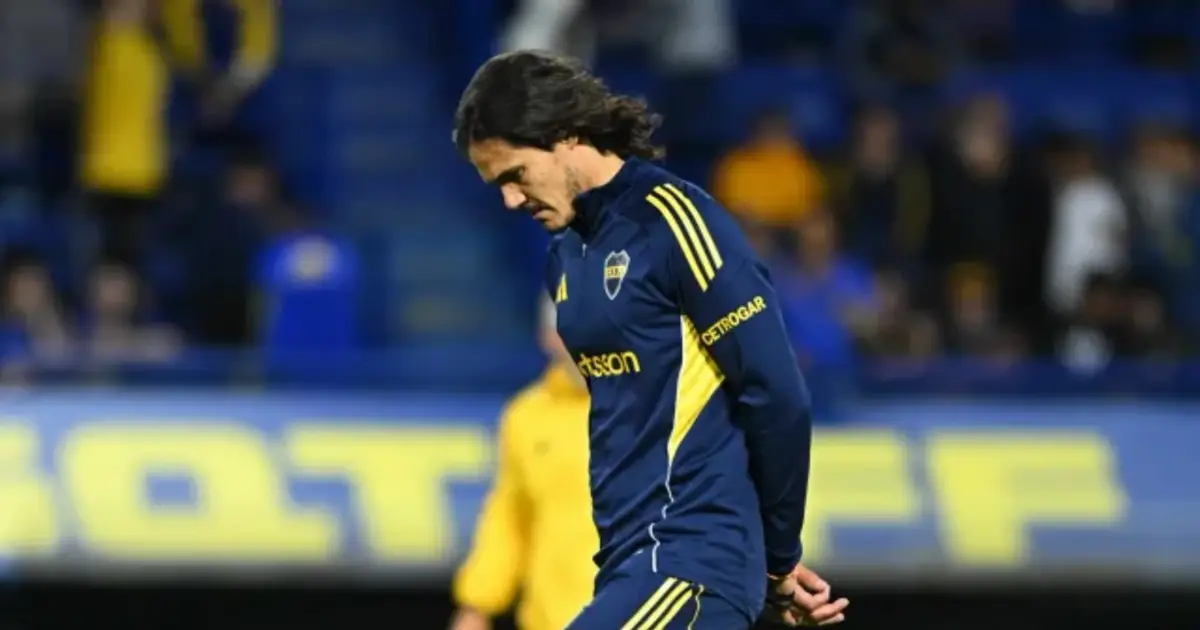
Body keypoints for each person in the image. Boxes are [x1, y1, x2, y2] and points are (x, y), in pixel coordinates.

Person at [453, 50, 848, 629]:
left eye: (515, 175)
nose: (511, 200)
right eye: (497, 186)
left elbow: (776, 394)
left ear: (563, 134)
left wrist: (777, 556)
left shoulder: (676, 222)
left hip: (687, 560)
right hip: (627, 563)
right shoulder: (567, 255)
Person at [450, 294, 596, 630]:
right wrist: (477, 607)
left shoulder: (660, 407)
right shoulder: (526, 416)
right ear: (547, 337)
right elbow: (509, 517)